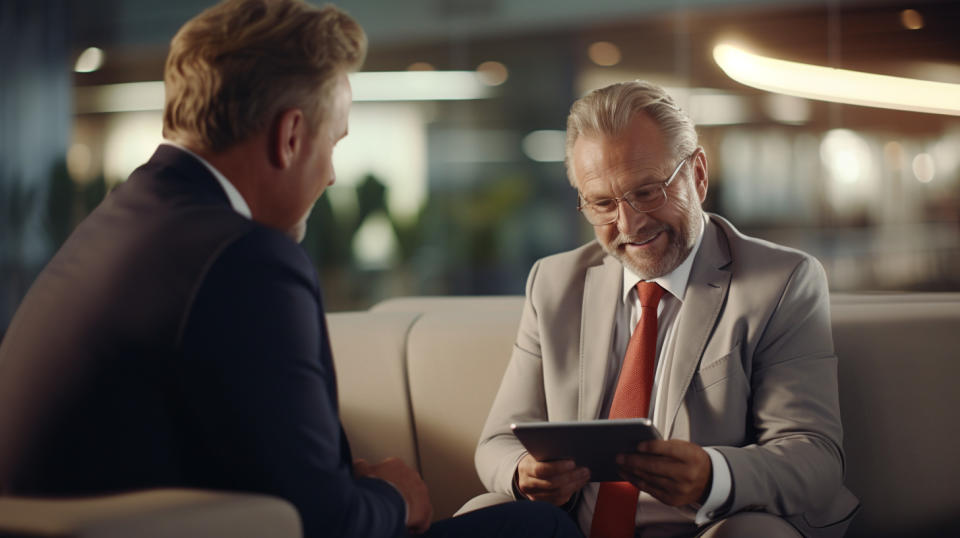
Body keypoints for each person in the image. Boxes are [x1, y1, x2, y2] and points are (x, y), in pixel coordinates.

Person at [0, 1, 582, 537]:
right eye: (335, 141)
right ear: (291, 135)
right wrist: (394, 495)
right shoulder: (244, 260)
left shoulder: (119, 225)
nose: (330, 175)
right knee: (541, 529)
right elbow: (323, 522)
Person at [472, 81, 860, 537]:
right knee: (483, 513)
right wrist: (524, 472)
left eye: (647, 192)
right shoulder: (555, 284)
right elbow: (496, 443)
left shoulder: (783, 281)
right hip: (575, 527)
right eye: (602, 203)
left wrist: (714, 474)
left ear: (696, 174)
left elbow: (813, 457)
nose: (630, 224)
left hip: (707, 527)